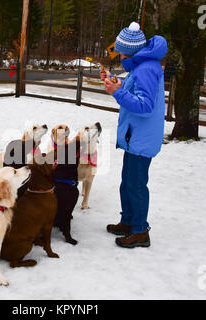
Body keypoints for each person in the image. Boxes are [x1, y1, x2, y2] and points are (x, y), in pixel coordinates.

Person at [101, 22, 168, 248]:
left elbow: (145, 105)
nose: (118, 54)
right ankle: (128, 221)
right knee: (128, 183)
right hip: (135, 137)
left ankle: (140, 231)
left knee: (136, 185)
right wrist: (116, 82)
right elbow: (133, 89)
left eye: (120, 50)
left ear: (129, 51)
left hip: (141, 138)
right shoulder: (141, 67)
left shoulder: (147, 68)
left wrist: (117, 92)